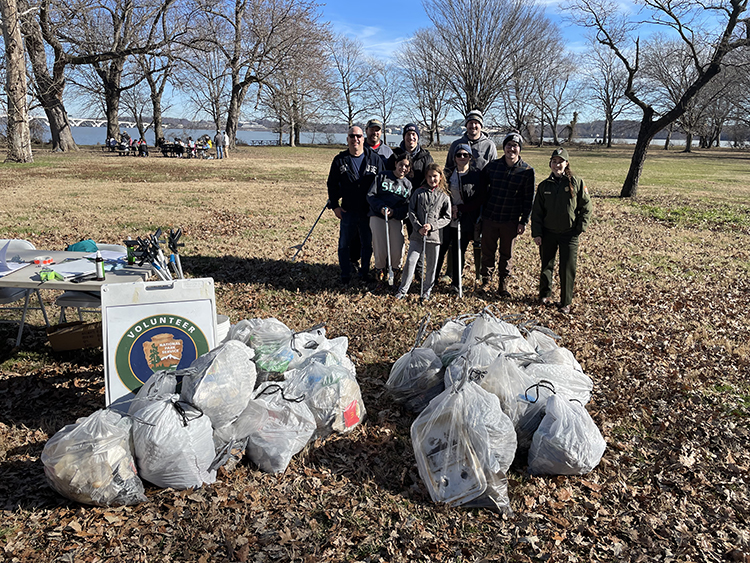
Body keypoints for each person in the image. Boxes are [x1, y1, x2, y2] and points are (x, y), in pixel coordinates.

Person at [531, 147, 592, 314]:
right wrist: (537, 233)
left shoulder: (576, 183)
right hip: (548, 233)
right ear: (550, 163)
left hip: (569, 234)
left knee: (567, 268)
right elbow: (537, 212)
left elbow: (586, 207)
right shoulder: (544, 186)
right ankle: (544, 294)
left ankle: (566, 302)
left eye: (561, 162)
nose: (557, 165)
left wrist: (579, 228)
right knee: (546, 265)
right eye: (554, 161)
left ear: (567, 163)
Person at [479, 132, 535, 298]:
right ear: (504, 147)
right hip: (490, 216)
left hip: (510, 219)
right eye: (509, 145)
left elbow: (528, 199)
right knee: (487, 251)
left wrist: (523, 221)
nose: (512, 148)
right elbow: (483, 191)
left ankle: (503, 283)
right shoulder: (492, 166)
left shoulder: (527, 171)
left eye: (515, 146)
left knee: (506, 253)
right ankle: (486, 281)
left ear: (519, 149)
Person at [327, 125, 384, 284]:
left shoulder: (374, 159)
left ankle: (364, 273)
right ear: (347, 139)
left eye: (358, 136)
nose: (355, 139)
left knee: (367, 244)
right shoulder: (340, 160)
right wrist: (335, 206)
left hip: (368, 210)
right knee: (344, 244)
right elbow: (332, 184)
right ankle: (345, 274)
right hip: (348, 209)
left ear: (363, 138)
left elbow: (383, 183)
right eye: (352, 136)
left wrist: (380, 206)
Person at [395, 163, 451, 302]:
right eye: (430, 176)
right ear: (426, 177)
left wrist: (432, 226)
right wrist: (418, 227)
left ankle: (427, 290)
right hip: (417, 235)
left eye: (435, 176)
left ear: (440, 177)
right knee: (411, 261)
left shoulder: (444, 196)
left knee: (431, 265)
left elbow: (447, 217)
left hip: (434, 237)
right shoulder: (418, 192)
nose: (432, 179)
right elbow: (411, 211)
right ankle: (403, 289)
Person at [435, 144, 482, 291]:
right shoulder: (448, 174)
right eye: (459, 155)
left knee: (458, 250)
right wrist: (449, 209)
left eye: (465, 155)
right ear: (454, 158)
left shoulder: (476, 175)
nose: (462, 157)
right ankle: (433, 278)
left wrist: (460, 209)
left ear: (470, 157)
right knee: (441, 248)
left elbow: (479, 199)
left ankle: (456, 282)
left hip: (465, 218)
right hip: (446, 216)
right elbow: (440, 193)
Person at [367, 149, 412, 290]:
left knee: (397, 250)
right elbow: (371, 195)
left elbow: (407, 207)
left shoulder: (408, 185)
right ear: (396, 163)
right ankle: (380, 277)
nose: (403, 168)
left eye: (406, 166)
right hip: (378, 216)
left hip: (396, 219)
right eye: (401, 164)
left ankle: (395, 277)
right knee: (380, 249)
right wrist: (381, 207)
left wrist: (395, 212)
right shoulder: (382, 177)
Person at [388, 123, 433, 192]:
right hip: (398, 195)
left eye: (413, 134)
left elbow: (431, 177)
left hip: (418, 195)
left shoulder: (426, 157)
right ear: (404, 137)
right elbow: (388, 176)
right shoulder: (395, 155)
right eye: (408, 134)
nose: (411, 137)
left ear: (418, 137)